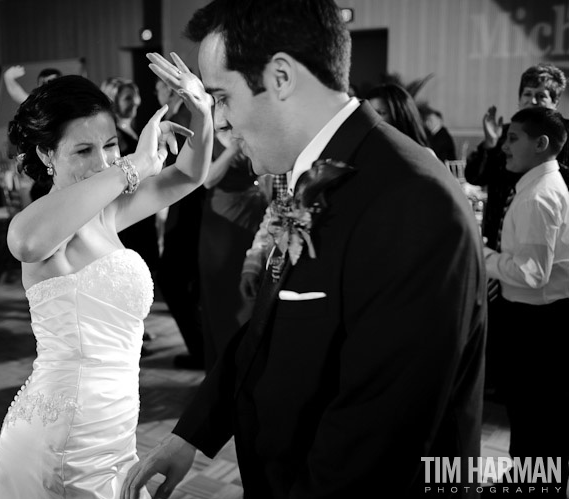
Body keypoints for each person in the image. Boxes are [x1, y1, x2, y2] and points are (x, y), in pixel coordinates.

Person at [123, 1, 486, 498]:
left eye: (223, 98)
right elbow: (268, 327)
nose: (222, 125)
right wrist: (194, 432)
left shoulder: (412, 202)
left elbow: (375, 440)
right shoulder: (316, 176)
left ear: (280, 77)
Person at [0, 63, 212, 498]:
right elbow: (26, 242)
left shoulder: (107, 212)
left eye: (110, 146)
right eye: (83, 151)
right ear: (46, 154)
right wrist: (134, 166)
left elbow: (188, 175)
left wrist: (201, 112)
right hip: (62, 440)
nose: (103, 162)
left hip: (115, 433)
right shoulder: (43, 225)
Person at [464, 63, 569, 397]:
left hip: (536, 282)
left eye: (543, 95)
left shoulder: (548, 159)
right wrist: (490, 144)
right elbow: (477, 177)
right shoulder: (511, 135)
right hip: (503, 240)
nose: (534, 100)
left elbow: (532, 271)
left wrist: (480, 252)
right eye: (528, 94)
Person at [483, 106, 569, 495]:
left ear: (541, 144)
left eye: (513, 138)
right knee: (534, 416)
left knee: (536, 416)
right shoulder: (537, 186)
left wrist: (481, 254)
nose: (504, 146)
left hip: (539, 322)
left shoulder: (539, 195)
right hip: (539, 318)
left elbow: (533, 274)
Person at [199, 129, 267, 370]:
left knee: (249, 292)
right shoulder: (209, 136)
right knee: (223, 295)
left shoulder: (253, 127)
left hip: (255, 213)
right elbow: (207, 180)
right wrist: (235, 147)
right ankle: (222, 365)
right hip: (223, 223)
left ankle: (247, 361)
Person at [154, 77, 206, 369]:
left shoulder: (183, 116)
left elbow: (177, 166)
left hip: (187, 207)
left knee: (172, 279)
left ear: (172, 90)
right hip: (184, 206)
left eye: (160, 86)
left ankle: (200, 349)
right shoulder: (182, 114)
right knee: (184, 283)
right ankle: (201, 347)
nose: (155, 91)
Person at [101, 77, 160, 273]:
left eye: (135, 97)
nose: (135, 102)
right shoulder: (114, 134)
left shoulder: (132, 129)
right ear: (114, 101)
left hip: (142, 201)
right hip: (128, 205)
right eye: (128, 98)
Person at [367, 83, 432, 150]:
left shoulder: (422, 153)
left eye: (381, 113)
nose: (372, 118)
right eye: (369, 113)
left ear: (400, 116)